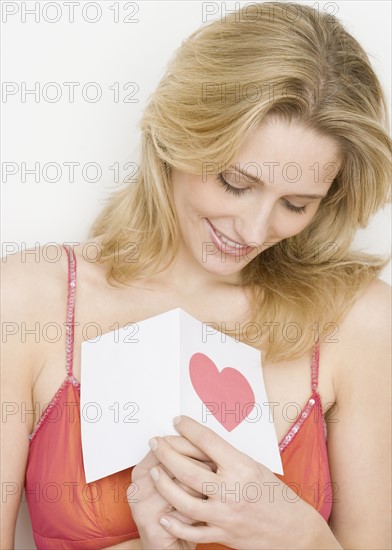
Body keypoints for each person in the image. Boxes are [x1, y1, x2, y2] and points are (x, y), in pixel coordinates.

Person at [1, 2, 391, 549]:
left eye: (296, 204)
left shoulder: (361, 322)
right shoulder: (26, 301)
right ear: (180, 135)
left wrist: (303, 538)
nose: (254, 231)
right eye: (235, 182)